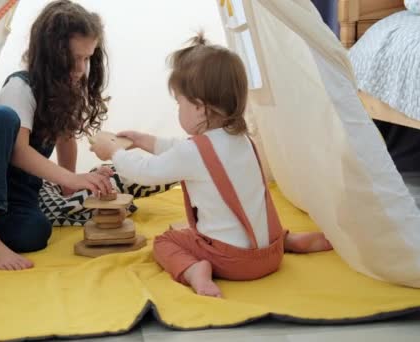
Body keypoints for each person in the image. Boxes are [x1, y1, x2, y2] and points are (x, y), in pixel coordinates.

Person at [90, 34, 333, 297]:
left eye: (179, 103)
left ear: (199, 108)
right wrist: (144, 141)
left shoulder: (194, 151)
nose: (177, 109)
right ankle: (288, 241)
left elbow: (146, 173)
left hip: (234, 262)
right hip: (269, 254)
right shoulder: (240, 141)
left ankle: (194, 270)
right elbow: (183, 151)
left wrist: (114, 152)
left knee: (166, 241)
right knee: (250, 211)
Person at [0, 0, 113, 271]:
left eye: (87, 58)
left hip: (19, 191)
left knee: (34, 233)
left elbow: (66, 140)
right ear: (51, 54)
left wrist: (71, 185)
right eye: (74, 58)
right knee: (1, 116)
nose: (81, 69)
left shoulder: (67, 89)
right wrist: (70, 177)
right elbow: (18, 150)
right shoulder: (20, 87)